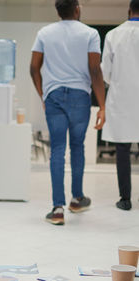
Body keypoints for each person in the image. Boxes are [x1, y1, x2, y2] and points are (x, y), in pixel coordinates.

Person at [30, 0, 106, 225]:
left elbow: (34, 67)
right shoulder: (90, 33)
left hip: (54, 96)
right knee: (77, 147)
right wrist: (102, 105)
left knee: (57, 150)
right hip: (80, 97)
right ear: (77, 9)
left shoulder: (44, 32)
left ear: (58, 11)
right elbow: (94, 69)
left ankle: (57, 209)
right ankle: (77, 198)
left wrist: (44, 94)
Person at [101, 0, 139, 211]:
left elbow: (105, 72)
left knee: (122, 150)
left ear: (128, 11)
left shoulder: (114, 35)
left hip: (122, 100)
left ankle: (125, 199)